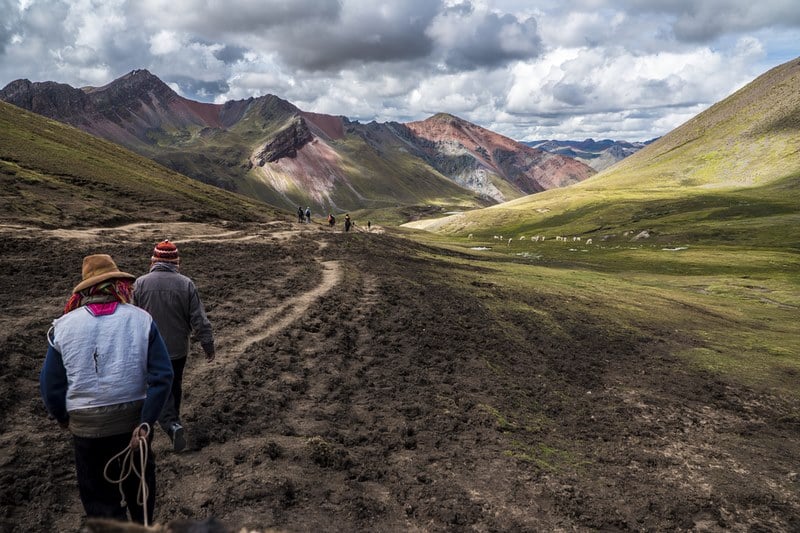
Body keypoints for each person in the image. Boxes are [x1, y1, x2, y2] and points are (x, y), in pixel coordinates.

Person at [40, 254, 173, 524]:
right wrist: (147, 421)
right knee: (140, 492)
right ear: (119, 286)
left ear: (85, 291)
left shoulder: (63, 327)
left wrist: (64, 418)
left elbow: (51, 386)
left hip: (87, 430)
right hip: (134, 427)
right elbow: (163, 375)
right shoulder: (141, 320)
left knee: (99, 498)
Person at [133, 240, 215, 452]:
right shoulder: (186, 284)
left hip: (148, 349)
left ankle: (168, 426)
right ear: (176, 262)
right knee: (173, 386)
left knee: (155, 389)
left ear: (154, 260)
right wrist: (208, 344)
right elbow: (199, 319)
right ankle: (173, 423)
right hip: (178, 349)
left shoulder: (140, 284)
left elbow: (130, 318)